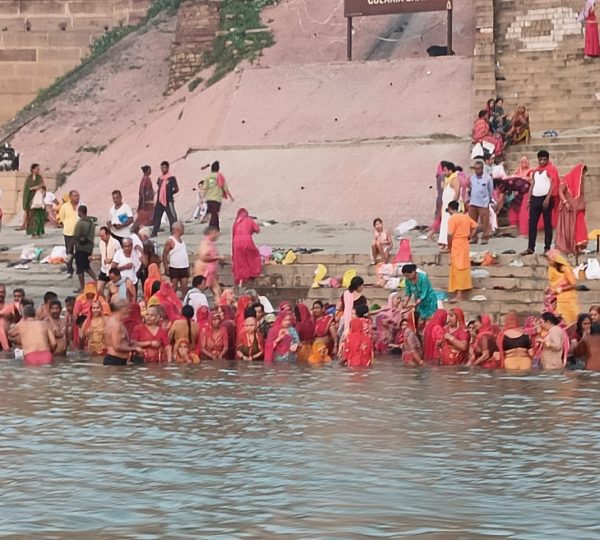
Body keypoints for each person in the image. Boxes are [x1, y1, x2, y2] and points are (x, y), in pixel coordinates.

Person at [522, 150, 560, 256]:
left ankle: (547, 247)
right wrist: (529, 199)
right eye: (540, 159)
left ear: (548, 159)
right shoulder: (536, 171)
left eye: (544, 159)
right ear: (538, 160)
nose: (542, 161)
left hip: (546, 199)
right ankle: (530, 247)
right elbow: (532, 185)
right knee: (532, 223)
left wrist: (547, 198)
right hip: (535, 198)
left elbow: (553, 184)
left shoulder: (551, 169)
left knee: (548, 223)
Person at [447, 201, 477, 302]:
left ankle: (459, 294)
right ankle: (460, 292)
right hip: (465, 243)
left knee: (458, 268)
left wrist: (449, 245)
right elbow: (475, 226)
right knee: (463, 267)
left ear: (451, 209)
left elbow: (450, 234)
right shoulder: (465, 216)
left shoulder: (453, 218)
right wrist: (470, 236)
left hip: (457, 244)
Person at [556, 164, 588, 255]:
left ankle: (578, 247)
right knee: (569, 228)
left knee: (580, 226)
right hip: (568, 209)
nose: (582, 176)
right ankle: (570, 247)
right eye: (582, 173)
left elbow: (580, 196)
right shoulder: (567, 179)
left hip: (577, 209)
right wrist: (565, 202)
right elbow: (560, 191)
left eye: (584, 174)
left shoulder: (580, 183)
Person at [104, 300, 143, 366]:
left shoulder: (118, 322)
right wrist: (135, 349)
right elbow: (117, 347)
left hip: (120, 360)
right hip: (114, 360)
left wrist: (132, 343)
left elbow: (121, 341)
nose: (129, 310)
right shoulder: (115, 324)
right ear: (121, 309)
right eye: (127, 308)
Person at [546, 250, 580, 326]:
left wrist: (561, 289)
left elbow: (573, 284)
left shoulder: (565, 269)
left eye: (549, 259)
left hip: (567, 299)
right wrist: (550, 289)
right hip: (555, 299)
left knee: (569, 320)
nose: (548, 262)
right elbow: (553, 283)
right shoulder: (551, 269)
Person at [232, 208, 262, 286]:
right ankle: (252, 273)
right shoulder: (249, 220)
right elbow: (257, 230)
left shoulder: (236, 222)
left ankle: (241, 279)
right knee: (253, 256)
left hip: (236, 242)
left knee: (240, 260)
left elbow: (233, 234)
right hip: (247, 241)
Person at [194, 226, 224, 303]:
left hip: (211, 271)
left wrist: (218, 259)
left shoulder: (211, 243)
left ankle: (219, 305)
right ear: (212, 233)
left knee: (217, 290)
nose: (218, 235)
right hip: (204, 270)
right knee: (201, 289)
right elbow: (203, 257)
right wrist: (217, 257)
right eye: (217, 233)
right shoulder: (205, 243)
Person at [202, 161, 234, 230]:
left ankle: (216, 228)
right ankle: (211, 228)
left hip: (209, 198)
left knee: (214, 213)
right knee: (214, 213)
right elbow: (225, 187)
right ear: (218, 168)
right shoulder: (220, 176)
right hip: (217, 198)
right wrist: (230, 196)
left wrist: (202, 197)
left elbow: (204, 188)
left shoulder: (208, 176)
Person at [73, 205, 97, 293]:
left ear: (79, 212)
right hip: (89, 248)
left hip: (81, 248)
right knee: (86, 266)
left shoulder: (80, 223)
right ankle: (97, 280)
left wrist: (71, 247)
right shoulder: (91, 223)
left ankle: (82, 287)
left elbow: (76, 236)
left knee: (80, 269)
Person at [468, 161, 494, 244]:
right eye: (475, 169)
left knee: (485, 221)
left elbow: (491, 190)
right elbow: (471, 188)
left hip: (483, 202)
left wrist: (488, 199)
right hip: (473, 202)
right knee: (472, 221)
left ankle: (485, 237)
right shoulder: (472, 178)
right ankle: (473, 237)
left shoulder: (487, 178)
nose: (476, 171)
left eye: (478, 169)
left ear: (482, 168)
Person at [151, 161, 179, 237]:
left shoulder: (171, 178)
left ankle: (174, 231)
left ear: (167, 168)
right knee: (157, 216)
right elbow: (159, 187)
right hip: (160, 200)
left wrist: (170, 193)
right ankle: (154, 232)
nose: (163, 169)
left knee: (172, 216)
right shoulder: (160, 178)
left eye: (164, 167)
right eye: (162, 168)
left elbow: (176, 189)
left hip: (168, 200)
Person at [162, 222, 190, 294]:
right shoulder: (170, 241)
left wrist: (188, 268)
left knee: (184, 287)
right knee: (173, 286)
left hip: (184, 266)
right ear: (178, 229)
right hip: (175, 267)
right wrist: (166, 267)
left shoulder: (182, 241)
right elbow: (164, 254)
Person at [58, 190, 80, 278]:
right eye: (75, 196)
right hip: (68, 233)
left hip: (79, 233)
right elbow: (62, 218)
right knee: (69, 252)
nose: (77, 197)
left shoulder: (81, 205)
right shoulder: (64, 207)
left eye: (78, 196)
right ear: (70, 197)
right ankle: (69, 270)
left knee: (79, 252)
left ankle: (80, 269)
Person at [438, 162, 460, 249]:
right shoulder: (447, 180)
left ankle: (448, 243)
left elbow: (457, 191)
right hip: (445, 206)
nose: (444, 172)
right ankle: (443, 242)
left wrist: (453, 204)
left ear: (450, 170)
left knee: (449, 224)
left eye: (445, 170)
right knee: (444, 223)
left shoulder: (455, 179)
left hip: (451, 207)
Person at [23, 163, 46, 238]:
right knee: (31, 217)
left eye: (39, 169)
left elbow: (43, 185)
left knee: (39, 217)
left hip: (39, 200)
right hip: (31, 201)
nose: (38, 170)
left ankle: (38, 232)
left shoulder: (40, 177)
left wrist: (41, 188)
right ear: (33, 169)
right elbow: (27, 189)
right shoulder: (29, 178)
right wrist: (33, 188)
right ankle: (33, 232)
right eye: (37, 169)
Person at [97, 226, 121, 297]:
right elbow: (102, 255)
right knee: (99, 290)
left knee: (112, 291)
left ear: (108, 234)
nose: (101, 238)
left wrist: (112, 260)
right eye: (100, 236)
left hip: (113, 270)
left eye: (103, 236)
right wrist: (95, 257)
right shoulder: (101, 243)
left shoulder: (115, 243)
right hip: (104, 269)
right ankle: (105, 304)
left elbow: (120, 255)